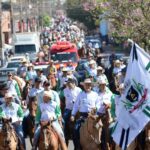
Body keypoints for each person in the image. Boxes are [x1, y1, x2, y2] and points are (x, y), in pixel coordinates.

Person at [70, 78, 99, 149]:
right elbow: (76, 105)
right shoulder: (80, 94)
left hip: (93, 116)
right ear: (84, 86)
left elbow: (98, 104)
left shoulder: (95, 94)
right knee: (75, 130)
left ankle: (103, 145)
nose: (88, 86)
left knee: (101, 129)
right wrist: (73, 114)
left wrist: (96, 108)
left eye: (89, 85)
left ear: (91, 86)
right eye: (86, 85)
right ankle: (77, 147)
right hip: (83, 117)